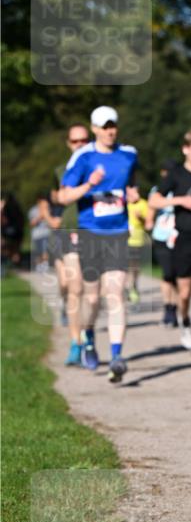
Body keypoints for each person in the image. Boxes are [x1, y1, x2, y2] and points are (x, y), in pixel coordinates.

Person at [58, 106, 138, 383]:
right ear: (94, 129)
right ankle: (88, 336)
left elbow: (132, 185)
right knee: (92, 297)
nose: (110, 130)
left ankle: (117, 356)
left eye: (113, 125)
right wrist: (89, 185)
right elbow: (63, 196)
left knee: (115, 293)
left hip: (118, 233)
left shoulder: (129, 154)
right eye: (104, 126)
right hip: (90, 233)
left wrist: (133, 194)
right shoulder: (83, 157)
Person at [149, 129, 191, 358]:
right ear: (185, 149)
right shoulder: (176, 175)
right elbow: (154, 199)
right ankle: (185, 322)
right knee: (185, 293)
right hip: (184, 239)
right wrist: (181, 200)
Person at [49, 125, 89, 362]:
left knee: (87, 290)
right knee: (72, 286)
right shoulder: (60, 170)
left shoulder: (100, 165)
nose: (80, 145)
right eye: (75, 141)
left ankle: (84, 339)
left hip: (95, 232)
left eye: (84, 140)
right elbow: (52, 197)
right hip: (68, 231)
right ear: (68, 144)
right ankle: (76, 341)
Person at [146, 161, 178, 328]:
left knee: (178, 275)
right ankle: (168, 307)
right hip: (162, 236)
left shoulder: (181, 188)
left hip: (179, 237)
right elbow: (150, 211)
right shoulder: (156, 191)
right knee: (167, 273)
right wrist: (148, 223)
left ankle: (176, 306)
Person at [127, 189, 150, 306]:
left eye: (137, 192)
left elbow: (149, 223)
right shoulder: (122, 204)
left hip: (137, 241)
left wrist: (140, 217)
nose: (135, 194)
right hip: (123, 240)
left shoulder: (143, 204)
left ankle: (133, 286)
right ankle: (126, 287)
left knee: (134, 267)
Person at [29, 195, 53, 272]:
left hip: (46, 233)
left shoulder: (49, 209)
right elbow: (31, 223)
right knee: (38, 251)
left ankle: (45, 265)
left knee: (45, 250)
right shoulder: (33, 210)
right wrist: (40, 216)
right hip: (36, 235)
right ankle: (39, 265)